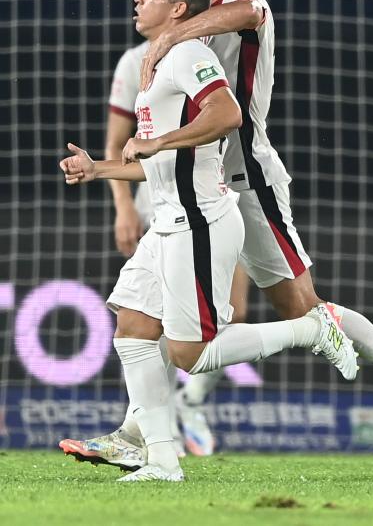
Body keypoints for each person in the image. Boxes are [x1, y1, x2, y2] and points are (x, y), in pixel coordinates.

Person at [65, 0, 373, 466]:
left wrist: (171, 32)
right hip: (196, 187)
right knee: (142, 313)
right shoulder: (190, 23)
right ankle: (140, 437)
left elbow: (247, 15)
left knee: (303, 311)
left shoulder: (246, 5)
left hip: (247, 182)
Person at [58, 0, 358, 482]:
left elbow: (226, 115)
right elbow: (150, 156)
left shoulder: (191, 54)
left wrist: (158, 140)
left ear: (177, 9)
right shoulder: (154, 64)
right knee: (131, 328)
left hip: (200, 218)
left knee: (189, 354)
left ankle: (308, 330)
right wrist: (99, 168)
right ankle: (162, 460)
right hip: (168, 219)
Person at [105, 32, 253, 457]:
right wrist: (123, 207)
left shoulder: (210, 49)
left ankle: (189, 402)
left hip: (215, 198)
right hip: (158, 203)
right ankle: (157, 429)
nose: (138, 1)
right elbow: (119, 142)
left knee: (228, 314)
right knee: (148, 320)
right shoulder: (135, 60)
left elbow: (228, 114)